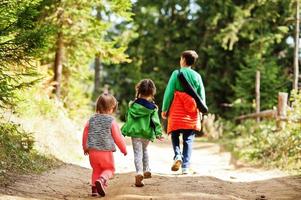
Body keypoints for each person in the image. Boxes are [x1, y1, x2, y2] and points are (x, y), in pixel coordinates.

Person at [161, 50, 206, 175]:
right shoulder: (197, 76)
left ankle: (177, 156)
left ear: (184, 60)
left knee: (175, 135)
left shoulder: (176, 73)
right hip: (191, 111)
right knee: (188, 139)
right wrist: (202, 110)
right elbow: (201, 96)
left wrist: (165, 109)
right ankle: (185, 166)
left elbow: (169, 92)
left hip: (176, 110)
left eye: (181, 59)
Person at [82, 93, 127, 197]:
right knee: (109, 169)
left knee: (96, 170)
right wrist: (123, 149)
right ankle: (102, 180)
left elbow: (85, 133)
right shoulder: (111, 121)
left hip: (92, 151)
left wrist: (85, 147)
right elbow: (118, 138)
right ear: (112, 108)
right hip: (105, 152)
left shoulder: (91, 119)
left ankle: (94, 189)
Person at [121, 79, 163, 187]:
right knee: (145, 150)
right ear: (152, 92)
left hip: (135, 134)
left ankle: (139, 172)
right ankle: (147, 169)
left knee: (137, 153)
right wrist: (158, 133)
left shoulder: (132, 105)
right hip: (146, 134)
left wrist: (125, 130)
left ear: (139, 90)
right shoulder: (153, 108)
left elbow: (128, 118)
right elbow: (156, 121)